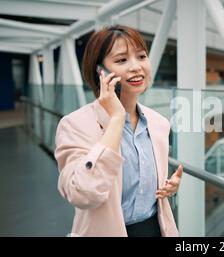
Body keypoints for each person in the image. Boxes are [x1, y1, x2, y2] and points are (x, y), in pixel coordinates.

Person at [54, 25, 182, 237]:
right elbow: (82, 193)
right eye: (122, 60)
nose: (136, 67)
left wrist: (167, 187)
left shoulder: (158, 123)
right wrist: (116, 120)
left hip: (156, 229)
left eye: (141, 56)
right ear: (100, 71)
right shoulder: (74, 124)